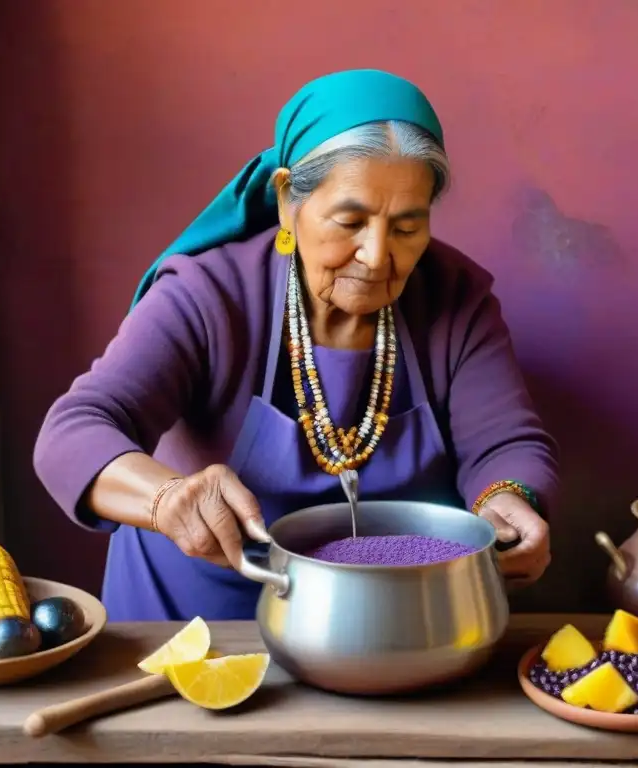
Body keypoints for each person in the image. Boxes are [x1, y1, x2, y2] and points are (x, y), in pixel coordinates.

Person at [34, 69, 558, 621]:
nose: (378, 255)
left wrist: (508, 499)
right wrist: (168, 499)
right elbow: (74, 430)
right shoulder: (208, 296)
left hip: (389, 623)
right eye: (350, 221)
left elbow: (505, 441)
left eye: (407, 228)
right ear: (288, 199)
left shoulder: (455, 298)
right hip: (199, 624)